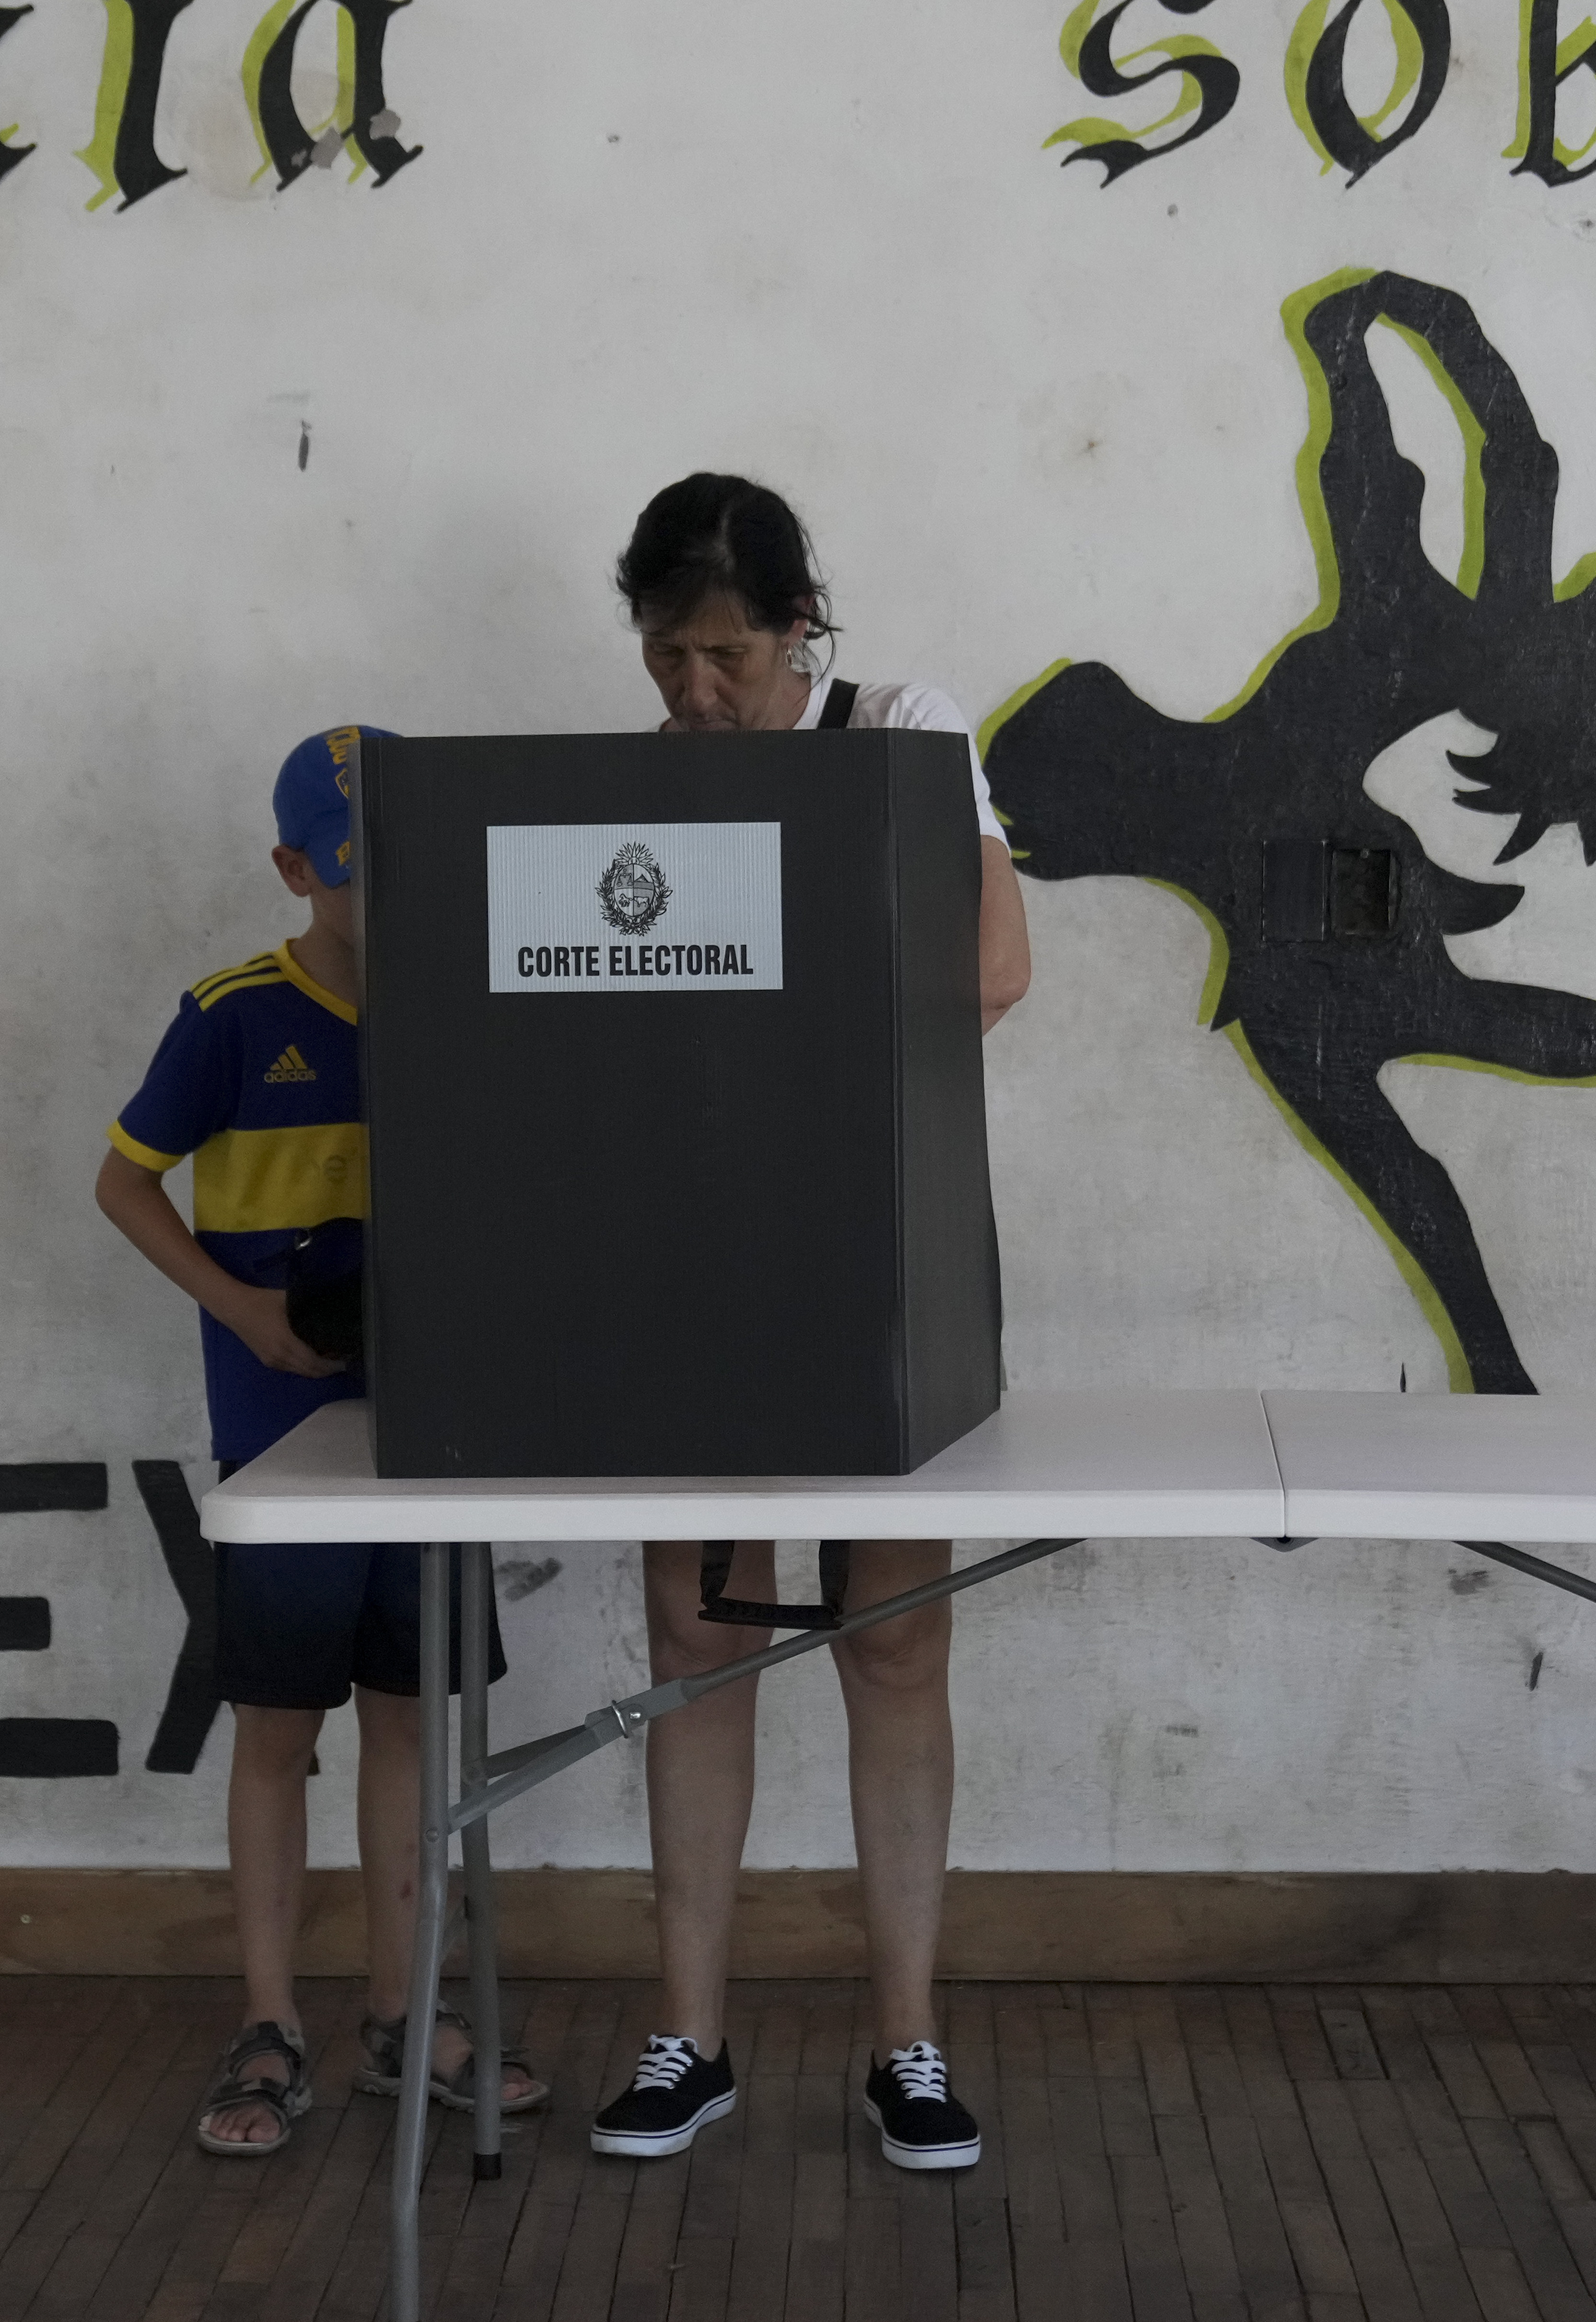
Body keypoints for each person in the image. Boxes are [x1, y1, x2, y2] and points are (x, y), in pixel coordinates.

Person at [583, 475, 1031, 2174]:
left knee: (893, 1640)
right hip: (695, 1247)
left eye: (725, 654)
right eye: (665, 655)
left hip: (873, 1244)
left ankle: (907, 2041)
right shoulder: (637, 787)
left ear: (797, 631)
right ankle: (687, 2038)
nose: (696, 689)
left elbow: (993, 965)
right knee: (692, 1637)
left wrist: (775, 1024)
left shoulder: (898, 732)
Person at [95, 725, 547, 2157]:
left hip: (430, 1432)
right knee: (279, 1731)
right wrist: (240, 1308)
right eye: (356, 872)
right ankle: (270, 2020)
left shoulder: (473, 1005)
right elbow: (123, 1182)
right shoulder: (232, 1017)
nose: (386, 897)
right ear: (296, 870)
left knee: (410, 1720)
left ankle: (404, 2014)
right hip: (279, 1436)